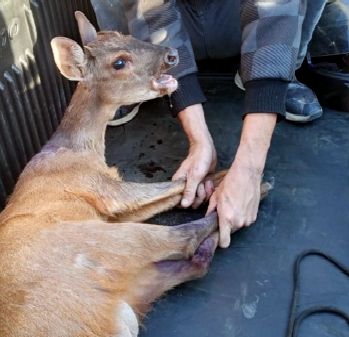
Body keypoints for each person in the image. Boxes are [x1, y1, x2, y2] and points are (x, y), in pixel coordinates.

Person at [90, 0, 328, 248]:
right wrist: (198, 140)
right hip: (159, 34)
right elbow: (154, 11)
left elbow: (274, 7)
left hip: (236, 21)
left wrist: (249, 169)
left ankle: (279, 75)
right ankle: (132, 79)